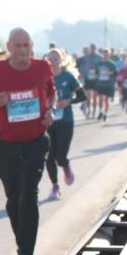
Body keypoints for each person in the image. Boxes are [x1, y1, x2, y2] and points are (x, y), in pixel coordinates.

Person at [0, 28, 56, 255]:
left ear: (31, 46)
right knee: (14, 198)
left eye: (26, 46)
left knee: (29, 194)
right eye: (18, 46)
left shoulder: (42, 67)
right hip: (7, 143)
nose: (23, 50)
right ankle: (21, 244)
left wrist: (50, 112)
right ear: (9, 47)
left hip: (35, 140)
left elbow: (51, 94)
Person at [45, 48, 86, 199]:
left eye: (56, 58)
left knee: (60, 157)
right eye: (50, 58)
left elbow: (83, 96)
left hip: (65, 121)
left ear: (62, 60)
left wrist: (68, 101)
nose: (53, 61)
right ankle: (55, 187)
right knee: (49, 157)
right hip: (48, 121)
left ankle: (66, 166)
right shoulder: (44, 77)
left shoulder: (67, 76)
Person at [77, 44, 101, 119]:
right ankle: (88, 110)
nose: (92, 49)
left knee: (94, 96)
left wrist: (98, 74)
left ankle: (94, 111)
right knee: (88, 95)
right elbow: (81, 66)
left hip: (95, 79)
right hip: (87, 78)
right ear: (90, 49)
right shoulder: (85, 57)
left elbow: (101, 67)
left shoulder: (99, 57)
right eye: (91, 48)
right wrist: (81, 74)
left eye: (94, 48)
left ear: (95, 49)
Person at [94, 50, 117, 122]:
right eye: (104, 55)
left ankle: (106, 114)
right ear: (102, 55)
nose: (105, 56)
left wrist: (110, 73)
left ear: (109, 55)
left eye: (107, 55)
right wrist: (97, 75)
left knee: (106, 99)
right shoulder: (98, 63)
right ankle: (100, 112)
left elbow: (115, 73)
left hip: (108, 84)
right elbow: (96, 72)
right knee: (100, 98)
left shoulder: (112, 64)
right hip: (100, 83)